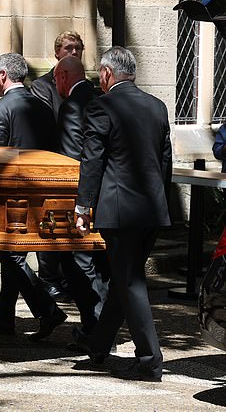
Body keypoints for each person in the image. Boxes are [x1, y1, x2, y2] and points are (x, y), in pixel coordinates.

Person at [72, 46, 172, 382]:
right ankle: (99, 346)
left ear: (106, 73)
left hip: (120, 210)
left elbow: (93, 159)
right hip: (151, 209)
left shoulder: (102, 105)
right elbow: (165, 161)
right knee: (123, 279)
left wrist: (83, 207)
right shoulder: (157, 106)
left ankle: (149, 359)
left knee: (129, 281)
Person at [0, 52, 67, 340]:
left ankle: (47, 310)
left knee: (11, 255)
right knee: (13, 255)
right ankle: (4, 318)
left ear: (3, 75)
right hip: (42, 191)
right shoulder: (43, 107)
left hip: (12, 195)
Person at [53, 55, 108, 335]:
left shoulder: (71, 106)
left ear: (63, 76)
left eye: (55, 78)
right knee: (101, 263)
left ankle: (94, 326)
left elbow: (73, 158)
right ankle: (102, 325)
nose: (55, 85)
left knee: (78, 259)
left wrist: (79, 205)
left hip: (83, 195)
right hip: (108, 194)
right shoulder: (102, 98)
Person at [31, 30, 87, 300]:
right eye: (68, 48)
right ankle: (49, 278)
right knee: (50, 223)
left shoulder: (87, 88)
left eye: (78, 48)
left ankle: (71, 278)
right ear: (56, 53)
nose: (74, 52)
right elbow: (48, 122)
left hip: (78, 164)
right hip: (52, 163)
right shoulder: (42, 86)